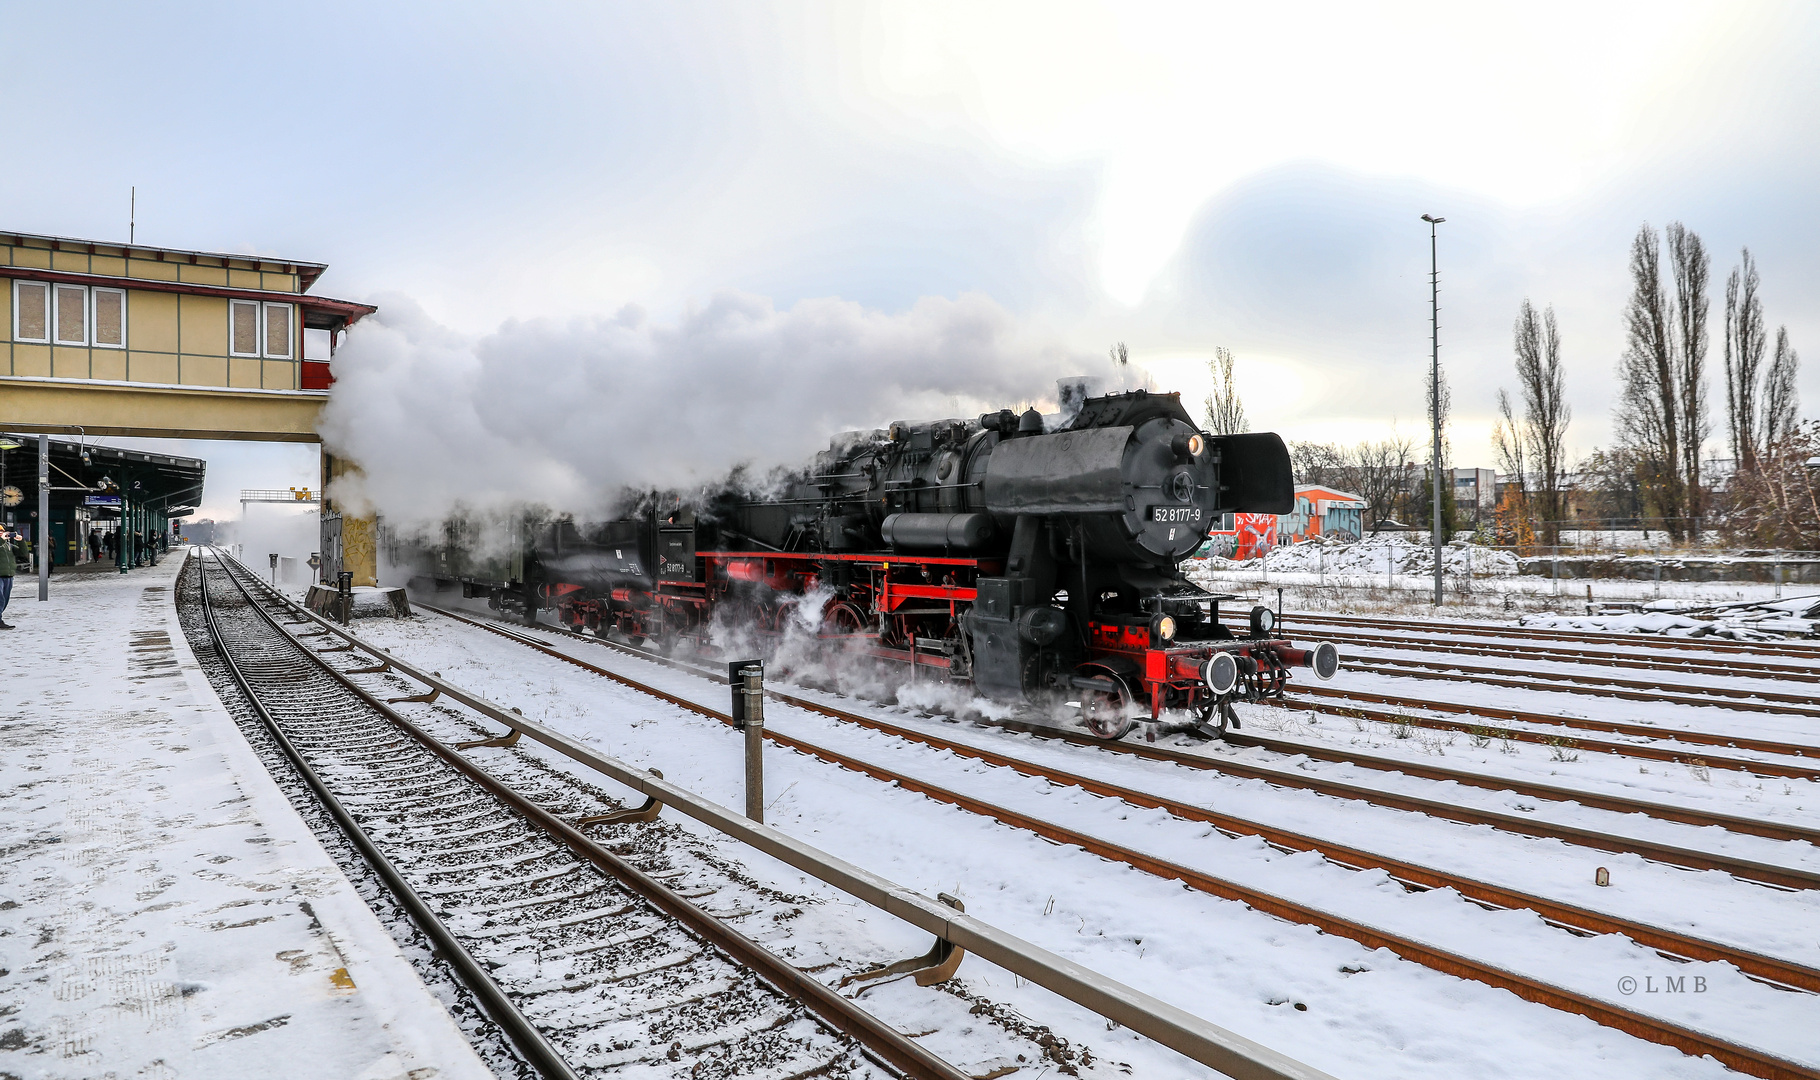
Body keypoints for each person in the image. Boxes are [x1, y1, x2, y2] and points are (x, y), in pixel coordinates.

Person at [0, 526, 27, 629]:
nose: (2, 533)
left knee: (5, 600)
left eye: (2, 531)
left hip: (8, 575)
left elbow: (23, 553)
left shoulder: (8, 546)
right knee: (0, 599)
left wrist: (21, 541)